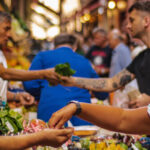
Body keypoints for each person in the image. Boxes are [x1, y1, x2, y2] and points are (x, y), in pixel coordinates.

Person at [48, 1, 150, 134]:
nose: (128, 26)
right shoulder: (141, 58)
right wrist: (71, 81)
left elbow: (123, 120)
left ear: (146, 21)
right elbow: (111, 83)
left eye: (132, 20)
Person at [23, 34, 108, 126]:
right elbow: (102, 93)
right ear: (75, 47)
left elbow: (29, 84)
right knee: (83, 140)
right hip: (82, 120)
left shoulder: (42, 56)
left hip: (50, 116)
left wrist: (43, 95)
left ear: (54, 46)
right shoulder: (85, 61)